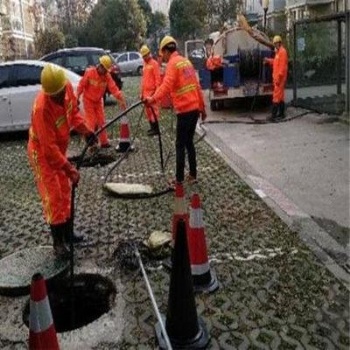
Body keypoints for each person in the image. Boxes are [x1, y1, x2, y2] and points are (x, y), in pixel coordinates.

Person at [27, 64, 96, 258]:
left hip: (58, 150)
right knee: (53, 196)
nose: (58, 98)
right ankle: (58, 243)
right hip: (41, 154)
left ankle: (68, 233)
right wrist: (69, 169)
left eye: (59, 93)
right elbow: (48, 149)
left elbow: (73, 115)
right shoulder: (42, 108)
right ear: (47, 93)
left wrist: (86, 131)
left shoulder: (66, 89)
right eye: (53, 96)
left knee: (65, 191)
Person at [145, 35, 207, 188]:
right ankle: (192, 175)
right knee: (189, 143)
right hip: (193, 109)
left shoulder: (173, 64)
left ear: (166, 51)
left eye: (162, 54)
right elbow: (197, 86)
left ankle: (178, 180)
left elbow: (165, 86)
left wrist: (152, 99)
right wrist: (202, 108)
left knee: (180, 145)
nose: (163, 58)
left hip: (184, 110)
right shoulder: (186, 62)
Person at [77, 55, 127, 147]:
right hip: (88, 100)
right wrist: (77, 97)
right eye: (105, 69)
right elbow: (81, 85)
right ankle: (90, 143)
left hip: (98, 101)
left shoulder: (106, 76)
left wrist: (120, 97)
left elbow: (113, 88)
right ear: (101, 66)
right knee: (91, 122)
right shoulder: (89, 72)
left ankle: (104, 142)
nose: (105, 72)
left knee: (101, 121)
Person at [263, 35, 288, 121]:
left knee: (276, 97)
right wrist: (268, 60)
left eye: (276, 43)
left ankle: (273, 116)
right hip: (277, 78)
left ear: (280, 43)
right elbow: (275, 62)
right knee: (280, 97)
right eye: (274, 44)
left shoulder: (282, 52)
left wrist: (278, 79)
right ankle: (281, 114)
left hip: (279, 79)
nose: (275, 45)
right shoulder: (278, 52)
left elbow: (282, 67)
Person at [139, 44, 161, 136]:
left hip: (152, 92)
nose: (144, 57)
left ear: (149, 54)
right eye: (143, 56)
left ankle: (156, 129)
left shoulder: (154, 64)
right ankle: (152, 128)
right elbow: (143, 80)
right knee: (148, 112)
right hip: (145, 92)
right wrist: (141, 93)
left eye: (145, 55)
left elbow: (157, 79)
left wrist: (156, 92)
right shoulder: (145, 64)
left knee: (154, 112)